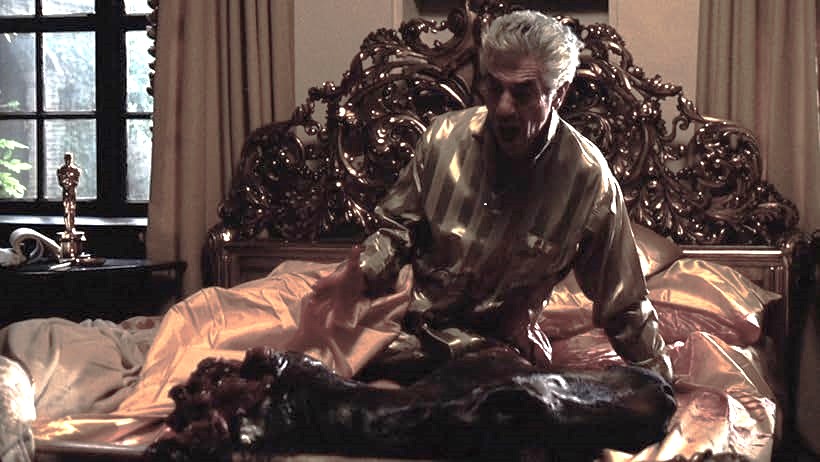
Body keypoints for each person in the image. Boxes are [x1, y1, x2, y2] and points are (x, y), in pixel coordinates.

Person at [306, 10, 673, 383]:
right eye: (494, 88)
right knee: (304, 351)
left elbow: (624, 303)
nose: (503, 108)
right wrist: (362, 272)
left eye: (523, 93)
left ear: (559, 94)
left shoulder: (589, 181)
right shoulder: (441, 139)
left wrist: (659, 379)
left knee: (506, 389)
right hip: (402, 329)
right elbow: (396, 231)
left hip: (492, 352)